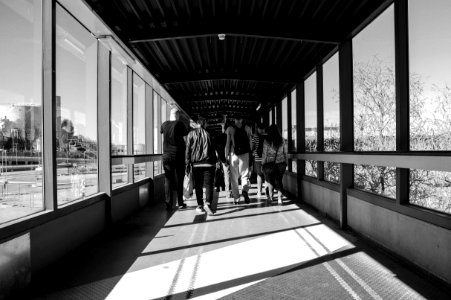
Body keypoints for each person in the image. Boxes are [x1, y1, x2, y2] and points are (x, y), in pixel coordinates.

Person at [185, 115, 217, 215]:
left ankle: (200, 205)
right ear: (204, 123)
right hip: (209, 163)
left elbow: (187, 150)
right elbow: (215, 149)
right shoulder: (210, 133)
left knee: (198, 185)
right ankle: (208, 203)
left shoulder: (190, 134)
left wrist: (187, 163)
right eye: (206, 122)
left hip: (196, 164)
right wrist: (217, 161)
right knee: (209, 185)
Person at [160, 107, 188, 211]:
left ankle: (168, 204)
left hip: (166, 155)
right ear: (177, 115)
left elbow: (162, 132)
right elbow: (185, 139)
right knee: (180, 178)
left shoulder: (164, 124)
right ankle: (180, 202)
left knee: (168, 179)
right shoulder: (179, 124)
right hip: (178, 155)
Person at [225, 116, 253, 204]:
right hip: (245, 155)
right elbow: (251, 144)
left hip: (233, 155)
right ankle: (245, 190)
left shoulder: (229, 129)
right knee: (244, 176)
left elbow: (227, 144)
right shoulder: (247, 128)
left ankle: (236, 198)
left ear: (234, 119)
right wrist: (250, 154)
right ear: (242, 119)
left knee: (234, 178)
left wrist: (226, 156)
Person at [261, 124, 287, 205]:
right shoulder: (282, 140)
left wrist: (263, 164)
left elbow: (264, 154)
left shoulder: (266, 141)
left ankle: (271, 197)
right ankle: (280, 198)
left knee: (270, 181)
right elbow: (285, 152)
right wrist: (286, 162)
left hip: (269, 164)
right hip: (281, 164)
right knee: (279, 180)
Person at [214, 120, 232, 199]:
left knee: (223, 174)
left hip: (221, 159)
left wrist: (222, 159)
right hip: (229, 158)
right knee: (229, 175)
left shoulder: (219, 137)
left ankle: (224, 189)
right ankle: (229, 191)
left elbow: (217, 148)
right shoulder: (231, 137)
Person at [251, 122, 267, 199]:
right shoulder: (267, 136)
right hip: (266, 159)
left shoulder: (255, 137)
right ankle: (267, 192)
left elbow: (252, 148)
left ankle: (259, 192)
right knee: (266, 175)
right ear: (264, 129)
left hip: (257, 159)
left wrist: (253, 152)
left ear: (258, 129)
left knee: (259, 175)